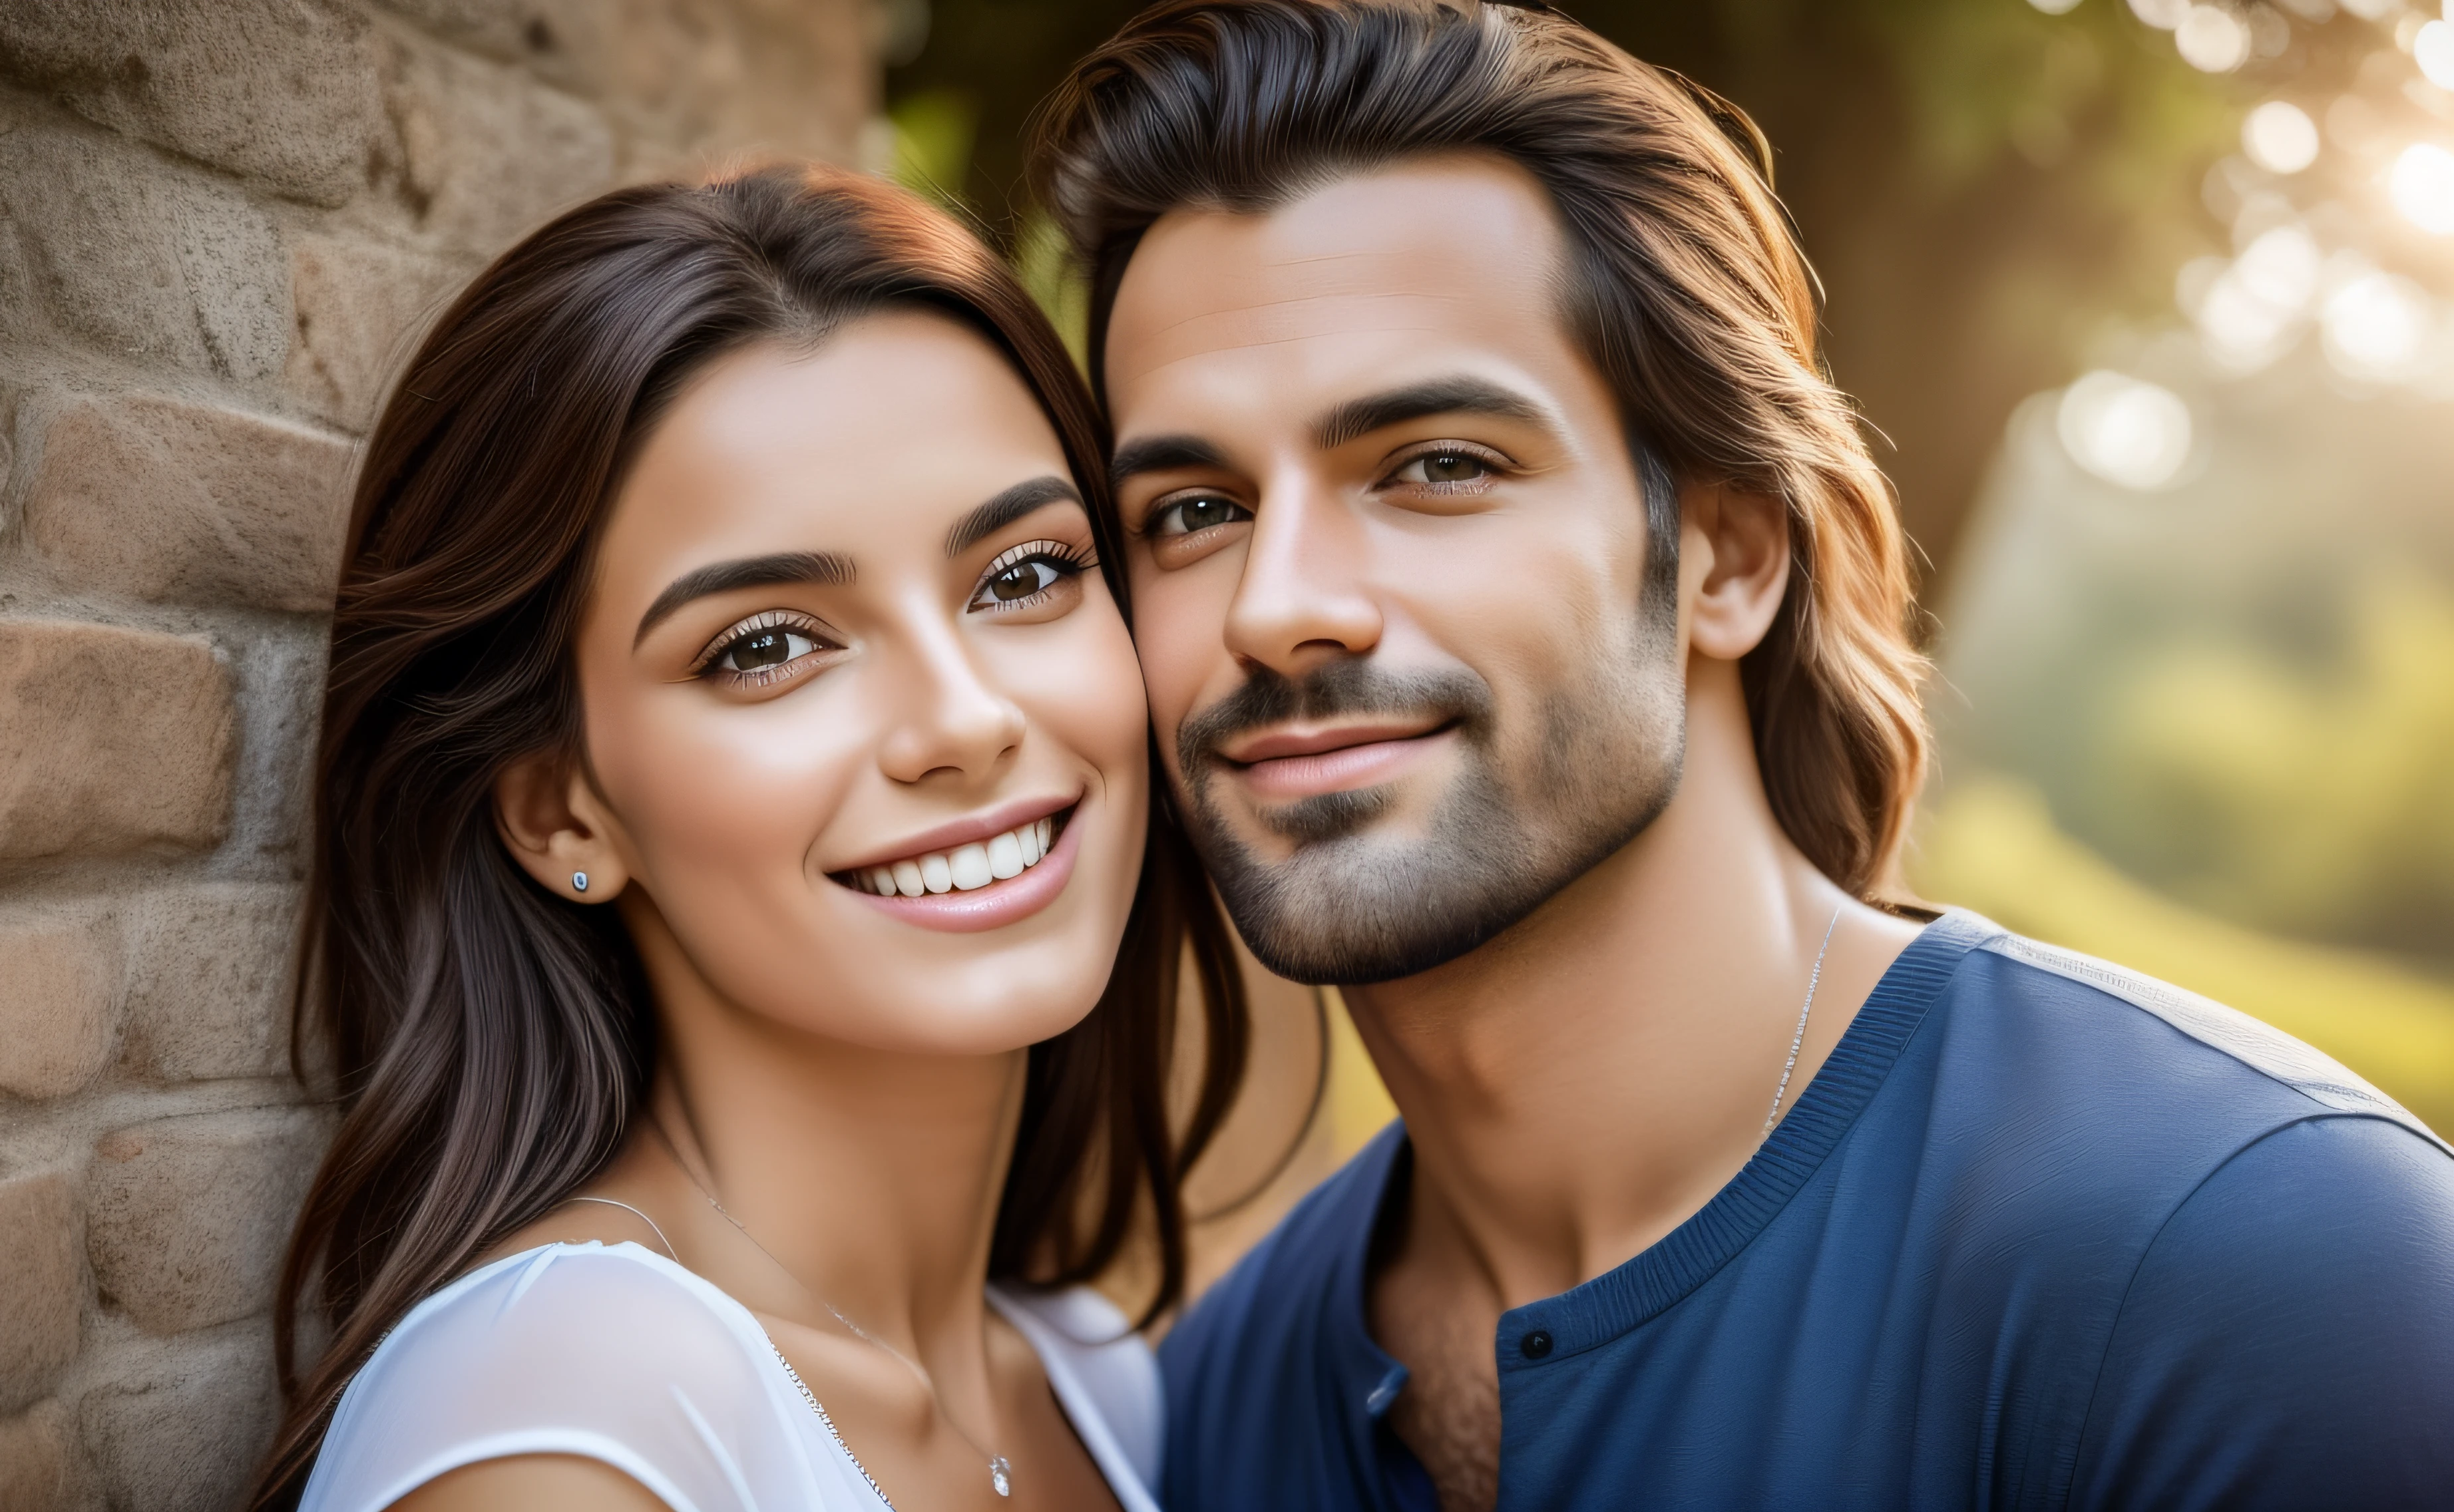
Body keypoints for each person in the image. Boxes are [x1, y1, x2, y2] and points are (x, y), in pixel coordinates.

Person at [1029, 3, 2454, 1509]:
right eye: (1191, 508)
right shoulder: (1203, 1411)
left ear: (1726, 556)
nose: (1278, 606)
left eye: (1436, 465)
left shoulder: (2248, 1264)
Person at [244, 164, 1254, 1512]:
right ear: (563, 809)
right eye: (766, 646)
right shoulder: (559, 1433)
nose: (962, 719)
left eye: (1023, 574)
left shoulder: (1095, 1377)